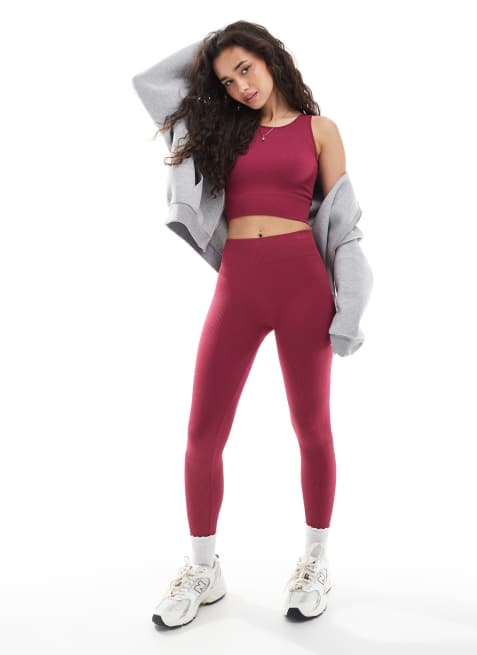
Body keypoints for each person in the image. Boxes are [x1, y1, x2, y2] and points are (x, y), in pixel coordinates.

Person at [132, 20, 373, 628]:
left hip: (302, 290)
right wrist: (216, 48)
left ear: (271, 58)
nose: (241, 85)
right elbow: (151, 83)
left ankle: (314, 561)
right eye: (226, 79)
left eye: (247, 67)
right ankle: (203, 570)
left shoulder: (321, 131)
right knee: (202, 433)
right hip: (238, 288)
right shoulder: (219, 130)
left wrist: (350, 306)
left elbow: (344, 228)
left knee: (311, 427)